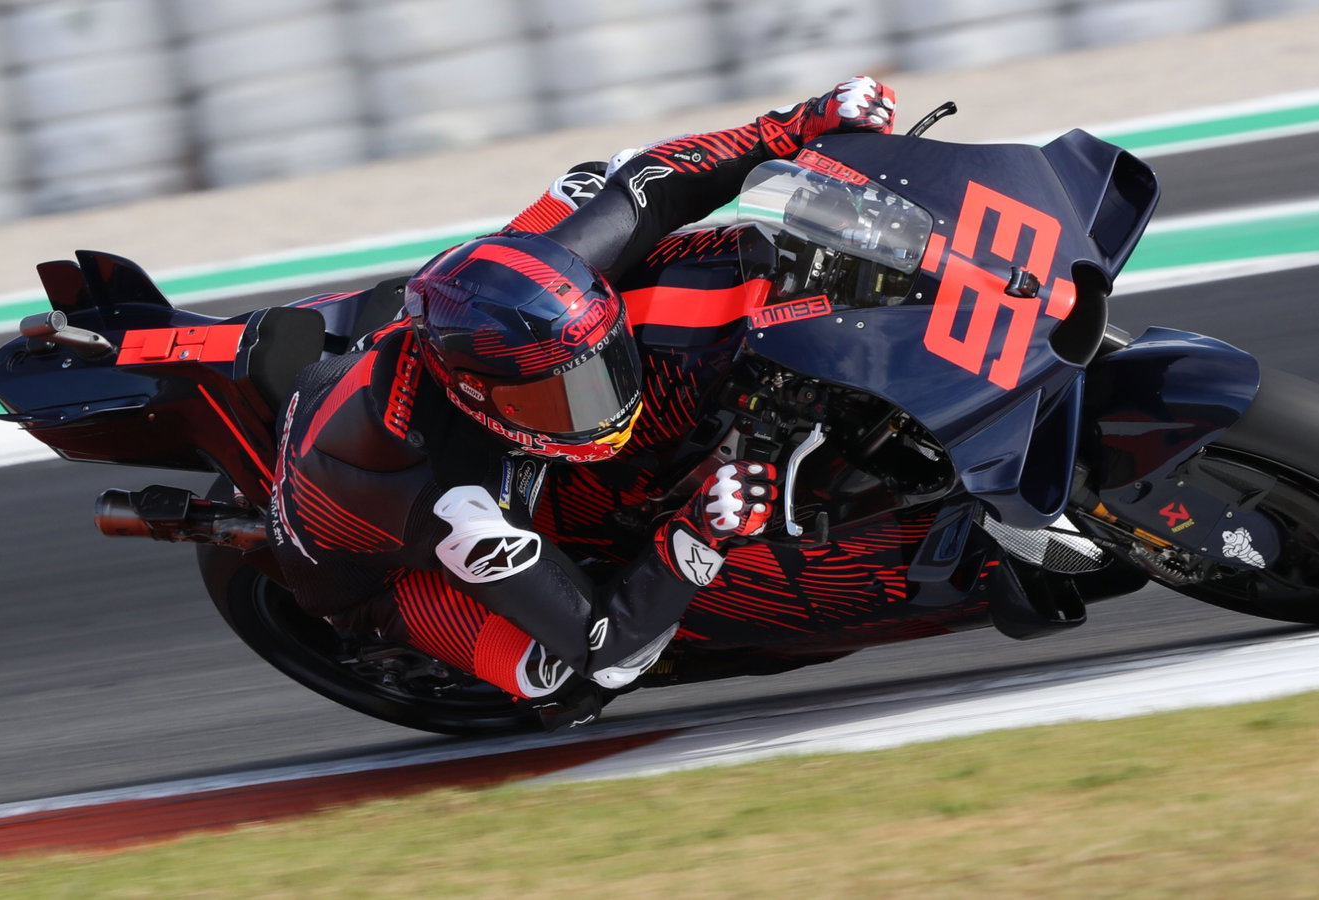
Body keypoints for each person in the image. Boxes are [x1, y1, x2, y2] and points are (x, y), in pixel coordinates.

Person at [265, 76, 898, 727]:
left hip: (392, 364)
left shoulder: (542, 278)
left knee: (591, 184)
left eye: (601, 368)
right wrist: (697, 531)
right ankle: (411, 636)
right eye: (561, 396)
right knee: (558, 679)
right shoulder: (463, 510)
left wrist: (803, 122)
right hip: (362, 562)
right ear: (483, 398)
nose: (602, 402)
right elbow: (606, 650)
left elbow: (650, 181)